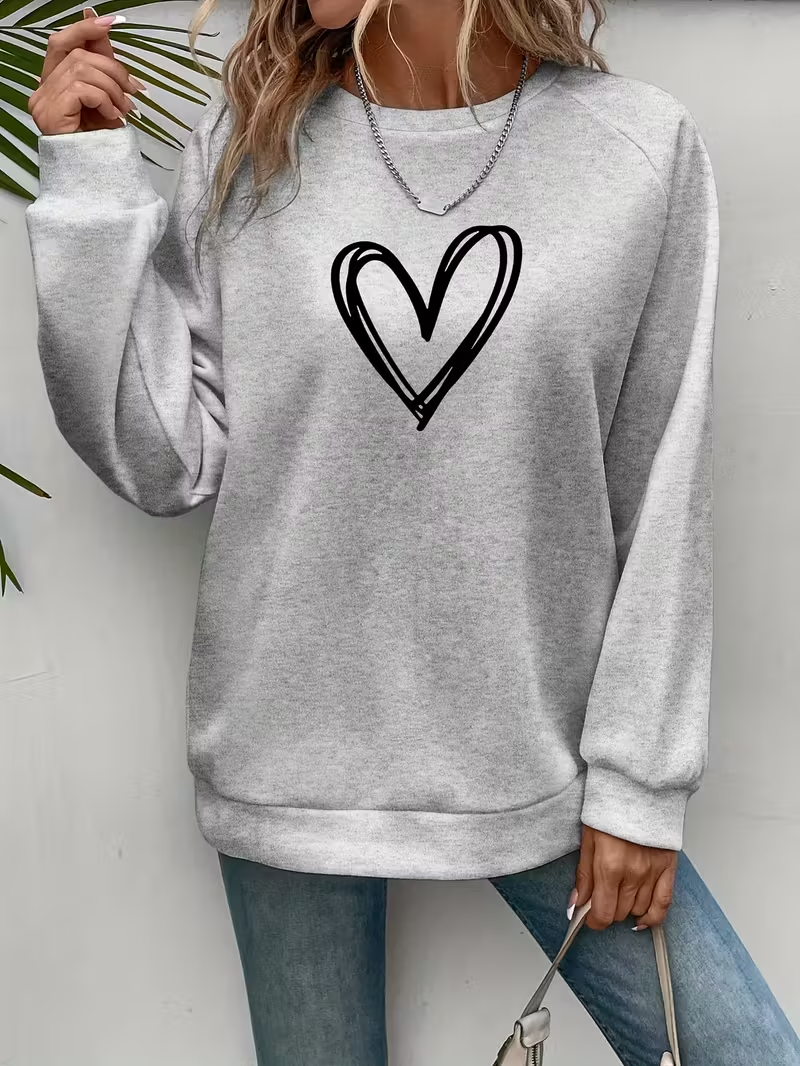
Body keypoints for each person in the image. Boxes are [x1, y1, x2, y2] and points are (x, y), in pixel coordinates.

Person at [24, 0, 800, 1062]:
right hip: (286, 760)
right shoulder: (249, 143)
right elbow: (166, 461)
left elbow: (662, 487)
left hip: (540, 757)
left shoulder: (634, 149)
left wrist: (639, 787)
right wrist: (87, 188)